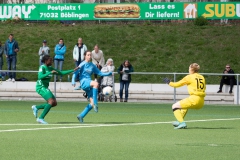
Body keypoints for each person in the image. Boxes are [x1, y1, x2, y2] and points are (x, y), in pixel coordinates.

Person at [31, 55, 77, 124]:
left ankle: (36, 107)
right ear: (46, 61)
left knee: (54, 103)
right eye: (50, 60)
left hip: (45, 87)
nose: (52, 61)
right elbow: (40, 76)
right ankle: (40, 118)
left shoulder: (50, 68)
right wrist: (49, 72)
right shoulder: (42, 67)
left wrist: (73, 70)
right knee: (51, 101)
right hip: (40, 86)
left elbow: (61, 72)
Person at [71, 51, 112, 123]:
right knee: (96, 84)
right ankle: (96, 104)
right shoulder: (82, 64)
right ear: (85, 56)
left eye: (90, 55)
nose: (89, 56)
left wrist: (108, 73)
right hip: (84, 81)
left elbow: (100, 73)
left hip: (89, 83)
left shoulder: (92, 65)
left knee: (91, 103)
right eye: (88, 55)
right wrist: (73, 80)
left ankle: (81, 116)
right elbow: (75, 72)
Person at [163, 63, 206, 129]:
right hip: (201, 101)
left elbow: (177, 84)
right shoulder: (202, 77)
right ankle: (179, 121)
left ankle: (182, 123)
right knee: (184, 106)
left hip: (194, 99)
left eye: (189, 68)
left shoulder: (189, 77)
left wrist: (169, 82)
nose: (188, 69)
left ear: (192, 69)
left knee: (174, 106)